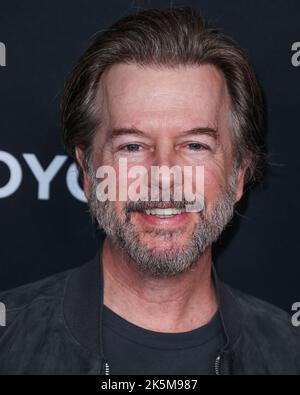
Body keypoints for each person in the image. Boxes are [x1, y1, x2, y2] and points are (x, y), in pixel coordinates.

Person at [0, 6, 299, 375]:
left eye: (195, 146)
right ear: (88, 173)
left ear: (238, 175)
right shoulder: (8, 340)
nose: (164, 175)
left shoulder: (289, 353)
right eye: (132, 146)